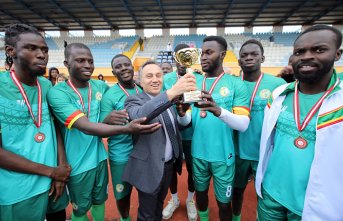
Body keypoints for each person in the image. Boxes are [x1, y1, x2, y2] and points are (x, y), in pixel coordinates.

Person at [47, 43, 161, 221]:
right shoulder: (57, 93)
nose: (87, 65)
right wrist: (121, 126)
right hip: (77, 162)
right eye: (80, 60)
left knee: (100, 201)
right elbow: (86, 126)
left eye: (90, 61)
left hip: (99, 156)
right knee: (80, 208)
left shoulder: (101, 87)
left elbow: (122, 94)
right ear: (66, 63)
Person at [255, 25, 343, 220]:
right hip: (271, 195)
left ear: (337, 54)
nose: (306, 56)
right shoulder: (279, 95)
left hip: (316, 205)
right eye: (299, 52)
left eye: (319, 49)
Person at [0, 23, 71, 221]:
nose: (42, 55)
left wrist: (62, 167)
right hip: (19, 190)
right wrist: (52, 172)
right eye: (32, 48)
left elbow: (55, 127)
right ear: (10, 51)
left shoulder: (47, 85)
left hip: (54, 182)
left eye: (45, 50)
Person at [183, 36, 250, 221]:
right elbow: (187, 120)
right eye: (202, 53)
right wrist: (181, 114)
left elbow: (244, 125)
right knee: (201, 196)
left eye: (209, 52)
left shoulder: (236, 84)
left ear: (222, 55)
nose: (203, 57)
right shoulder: (193, 83)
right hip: (198, 154)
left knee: (223, 204)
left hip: (223, 156)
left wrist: (219, 111)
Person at [123, 61, 197, 221]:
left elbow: (177, 127)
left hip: (168, 166)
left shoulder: (169, 100)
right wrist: (172, 91)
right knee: (147, 214)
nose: (155, 79)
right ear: (139, 81)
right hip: (148, 168)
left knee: (158, 207)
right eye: (149, 76)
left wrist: (182, 115)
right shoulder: (133, 100)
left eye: (158, 75)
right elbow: (140, 116)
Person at [231, 39, 286, 221]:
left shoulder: (277, 84)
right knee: (237, 190)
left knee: (262, 194)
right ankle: (236, 217)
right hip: (238, 151)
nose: (249, 58)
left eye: (254, 54)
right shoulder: (232, 84)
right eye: (244, 55)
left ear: (262, 58)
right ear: (238, 61)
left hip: (264, 152)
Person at [100, 54, 142, 221]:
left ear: (133, 67)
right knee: (122, 194)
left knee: (146, 190)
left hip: (144, 151)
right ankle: (125, 219)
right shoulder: (110, 96)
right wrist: (107, 120)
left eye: (126, 64)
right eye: (119, 66)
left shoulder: (142, 88)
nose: (124, 68)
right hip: (121, 154)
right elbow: (102, 127)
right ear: (113, 72)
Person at [162, 43, 198, 221]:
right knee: (170, 169)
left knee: (192, 169)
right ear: (175, 58)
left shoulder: (198, 77)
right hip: (171, 132)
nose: (184, 62)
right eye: (180, 57)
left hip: (192, 133)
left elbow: (197, 103)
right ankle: (175, 199)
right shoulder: (166, 78)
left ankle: (190, 200)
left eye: (188, 57)